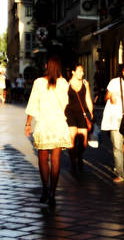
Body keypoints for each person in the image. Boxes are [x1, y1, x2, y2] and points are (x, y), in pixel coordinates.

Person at [24, 56, 71, 205]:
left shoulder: (39, 83)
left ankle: (45, 188)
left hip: (44, 124)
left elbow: (33, 104)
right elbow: (66, 103)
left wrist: (28, 123)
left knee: (43, 159)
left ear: (45, 66)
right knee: (56, 160)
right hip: (58, 124)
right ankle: (53, 192)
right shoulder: (63, 83)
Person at [65, 64, 94, 173]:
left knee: (84, 142)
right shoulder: (67, 84)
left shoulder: (85, 84)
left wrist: (91, 112)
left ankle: (79, 155)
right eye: (80, 71)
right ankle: (73, 161)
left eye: (83, 71)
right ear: (73, 72)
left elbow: (88, 99)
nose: (82, 73)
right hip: (70, 114)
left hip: (82, 114)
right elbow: (64, 100)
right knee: (71, 140)